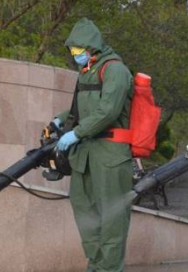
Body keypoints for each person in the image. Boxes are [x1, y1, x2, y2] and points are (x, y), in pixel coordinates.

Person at [53, 18, 134, 272]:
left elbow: (108, 111)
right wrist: (61, 119)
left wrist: (75, 134)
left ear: (91, 46)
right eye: (72, 50)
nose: (75, 54)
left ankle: (109, 269)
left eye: (78, 49)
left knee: (112, 219)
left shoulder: (115, 70)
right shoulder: (87, 70)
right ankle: (96, 266)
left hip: (110, 156)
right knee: (84, 210)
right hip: (85, 156)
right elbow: (81, 107)